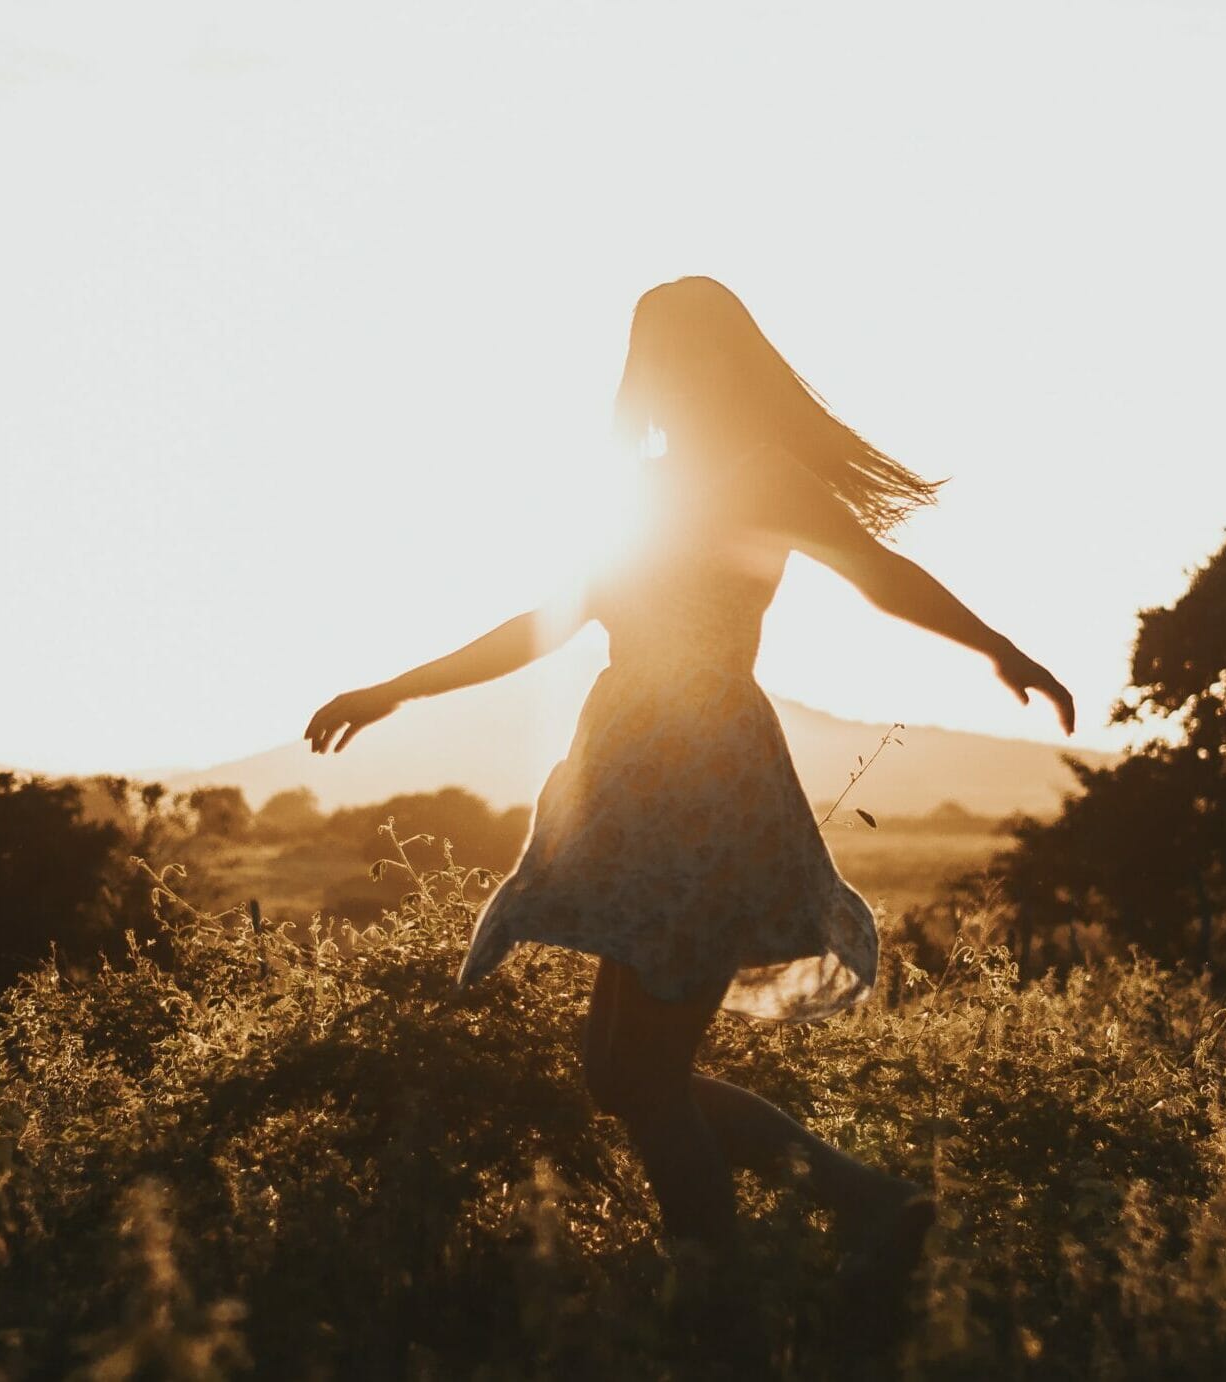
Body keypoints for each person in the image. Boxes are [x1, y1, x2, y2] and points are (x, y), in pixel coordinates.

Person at [304, 276, 1074, 1290]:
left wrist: (997, 646)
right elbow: (548, 619)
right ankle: (861, 1202)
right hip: (626, 783)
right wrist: (397, 687)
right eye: (653, 359)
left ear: (725, 364)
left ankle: (729, 1309)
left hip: (708, 782)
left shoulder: (766, 476)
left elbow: (881, 576)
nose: (664, 378)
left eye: (684, 357)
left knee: (649, 1081)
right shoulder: (638, 488)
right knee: (617, 1075)